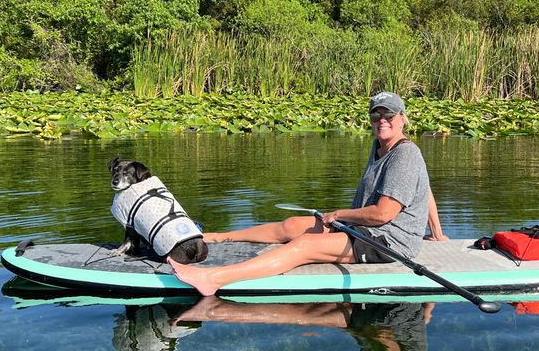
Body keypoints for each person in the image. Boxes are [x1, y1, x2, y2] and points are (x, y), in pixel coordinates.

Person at [167, 91, 448, 295]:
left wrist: (338, 214)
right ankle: (212, 237)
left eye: (389, 115)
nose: (382, 120)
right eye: (376, 115)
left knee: (303, 246)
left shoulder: (405, 154)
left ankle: (214, 278)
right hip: (365, 229)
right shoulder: (381, 147)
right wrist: (436, 231)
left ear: (401, 119)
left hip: (388, 242)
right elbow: (423, 186)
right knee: (292, 225)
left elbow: (384, 213)